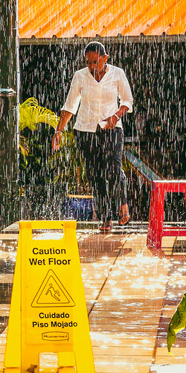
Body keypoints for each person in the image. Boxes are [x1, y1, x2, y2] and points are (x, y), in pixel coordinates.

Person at [52, 41, 134, 231]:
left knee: (114, 168)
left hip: (111, 128)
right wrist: (59, 131)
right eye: (88, 62)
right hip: (85, 131)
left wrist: (116, 115)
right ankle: (105, 218)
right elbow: (70, 105)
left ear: (105, 59)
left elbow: (127, 100)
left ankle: (122, 203)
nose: (91, 67)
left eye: (95, 62)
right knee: (95, 175)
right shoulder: (80, 76)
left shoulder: (117, 73)